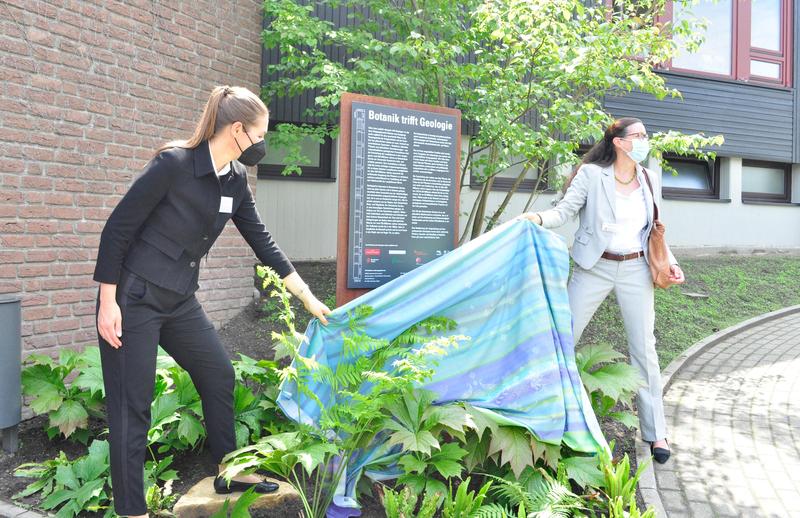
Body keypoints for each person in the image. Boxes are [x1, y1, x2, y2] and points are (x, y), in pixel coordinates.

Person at [93, 85, 332, 517]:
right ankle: (132, 511)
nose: (262, 143)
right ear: (237, 129)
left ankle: (227, 470)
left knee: (220, 376)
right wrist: (107, 302)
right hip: (136, 298)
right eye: (259, 134)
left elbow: (263, 241)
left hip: (180, 299)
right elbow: (117, 230)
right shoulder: (174, 164)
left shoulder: (235, 180)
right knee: (133, 409)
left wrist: (308, 297)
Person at [521, 117, 684, 464]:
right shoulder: (592, 175)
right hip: (594, 267)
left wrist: (668, 262)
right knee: (561, 338)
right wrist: (536, 219)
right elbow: (563, 212)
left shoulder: (649, 179)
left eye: (646, 134)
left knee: (645, 350)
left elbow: (654, 229)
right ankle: (538, 414)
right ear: (619, 142)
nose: (645, 141)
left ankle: (656, 433)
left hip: (637, 269)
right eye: (639, 135)